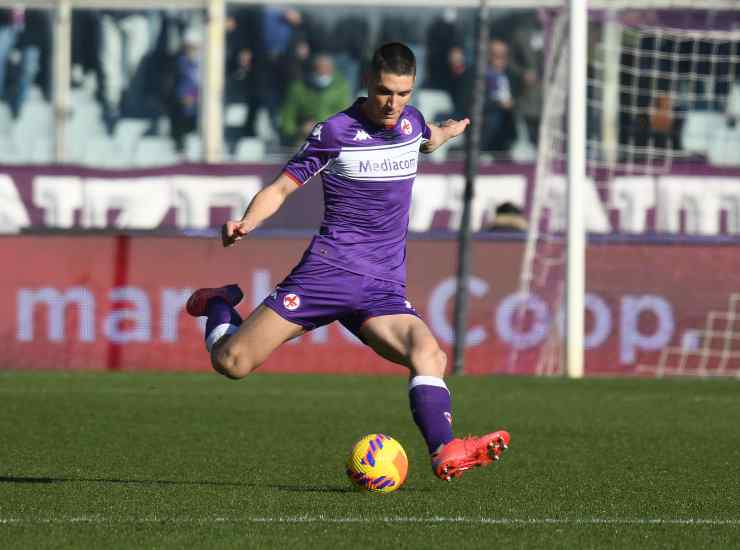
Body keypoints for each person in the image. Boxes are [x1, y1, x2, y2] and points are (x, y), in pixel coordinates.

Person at [186, 42, 510, 481]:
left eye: (403, 93)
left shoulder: (410, 121)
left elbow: (426, 138)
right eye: (384, 92)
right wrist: (246, 220)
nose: (393, 104)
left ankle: (445, 449)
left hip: (382, 288)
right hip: (327, 274)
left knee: (429, 353)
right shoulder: (334, 132)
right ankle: (219, 304)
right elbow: (281, 188)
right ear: (366, 83)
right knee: (232, 363)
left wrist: (448, 132)